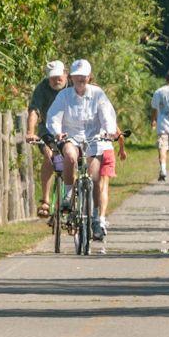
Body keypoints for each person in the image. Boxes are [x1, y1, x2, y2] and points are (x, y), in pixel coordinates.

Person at [45, 59, 120, 238]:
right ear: (71, 77)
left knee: (94, 177)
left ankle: (95, 218)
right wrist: (57, 132)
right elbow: (54, 116)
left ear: (89, 77)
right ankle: (69, 192)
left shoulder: (98, 94)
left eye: (83, 76)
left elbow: (107, 115)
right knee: (70, 156)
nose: (80, 79)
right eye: (77, 76)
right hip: (71, 137)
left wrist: (109, 132)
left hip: (94, 138)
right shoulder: (64, 96)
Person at [25, 60, 68, 218]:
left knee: (72, 159)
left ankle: (72, 196)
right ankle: (46, 200)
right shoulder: (42, 88)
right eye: (53, 77)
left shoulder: (73, 86)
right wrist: (30, 131)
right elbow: (34, 110)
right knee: (50, 157)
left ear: (66, 74)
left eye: (59, 76)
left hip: (70, 130)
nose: (57, 80)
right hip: (48, 131)